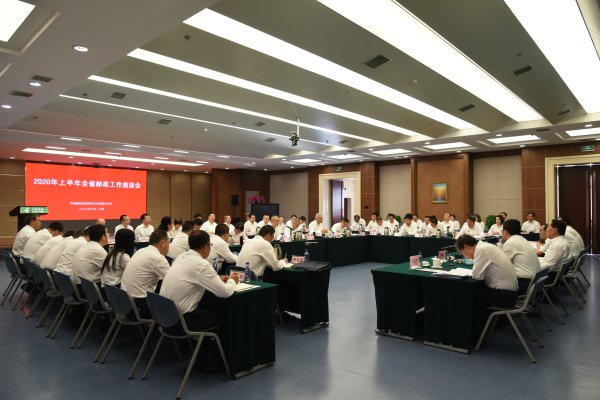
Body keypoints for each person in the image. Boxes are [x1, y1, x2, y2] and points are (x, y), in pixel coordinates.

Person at [160, 230, 239, 333]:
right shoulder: (201, 264)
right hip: (180, 322)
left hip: (164, 316)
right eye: (210, 245)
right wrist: (232, 280)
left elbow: (192, 279)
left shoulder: (181, 257)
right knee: (225, 314)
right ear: (205, 247)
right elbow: (225, 292)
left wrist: (216, 280)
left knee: (207, 304)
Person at [456, 234, 518, 334]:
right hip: (511, 293)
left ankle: (474, 334)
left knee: (469, 295)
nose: (465, 256)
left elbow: (476, 276)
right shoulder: (486, 246)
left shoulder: (481, 250)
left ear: (466, 247)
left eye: (463, 253)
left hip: (505, 296)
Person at [121, 229, 171, 318]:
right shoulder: (157, 258)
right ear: (162, 243)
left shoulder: (141, 250)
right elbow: (173, 280)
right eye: (169, 243)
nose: (169, 247)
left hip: (125, 302)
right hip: (138, 307)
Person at [501, 219, 541, 295]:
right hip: (534, 282)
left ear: (505, 232)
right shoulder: (522, 239)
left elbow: (503, 266)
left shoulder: (510, 243)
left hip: (524, 283)